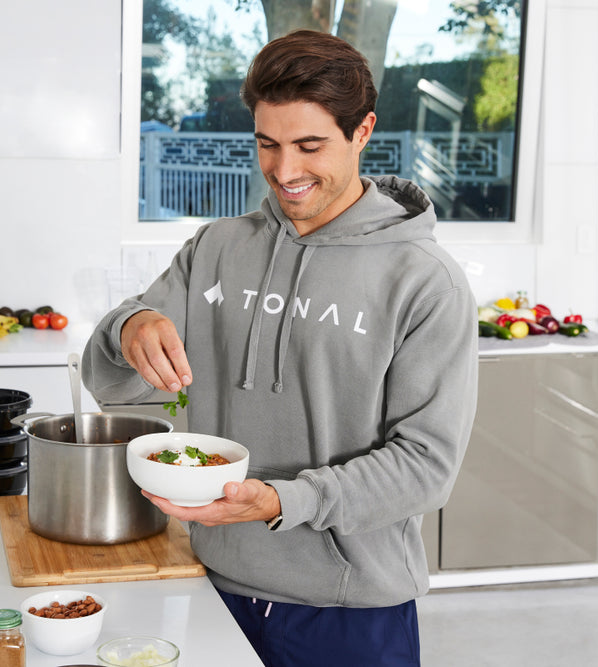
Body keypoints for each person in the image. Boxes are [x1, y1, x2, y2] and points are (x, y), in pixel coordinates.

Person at [82, 29, 478, 667]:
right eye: (267, 144)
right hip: (210, 586)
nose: (285, 172)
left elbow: (426, 467)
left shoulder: (426, 282)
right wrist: (129, 325)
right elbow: (111, 383)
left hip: (349, 610)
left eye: (309, 146)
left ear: (363, 131)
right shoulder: (216, 247)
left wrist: (282, 500)